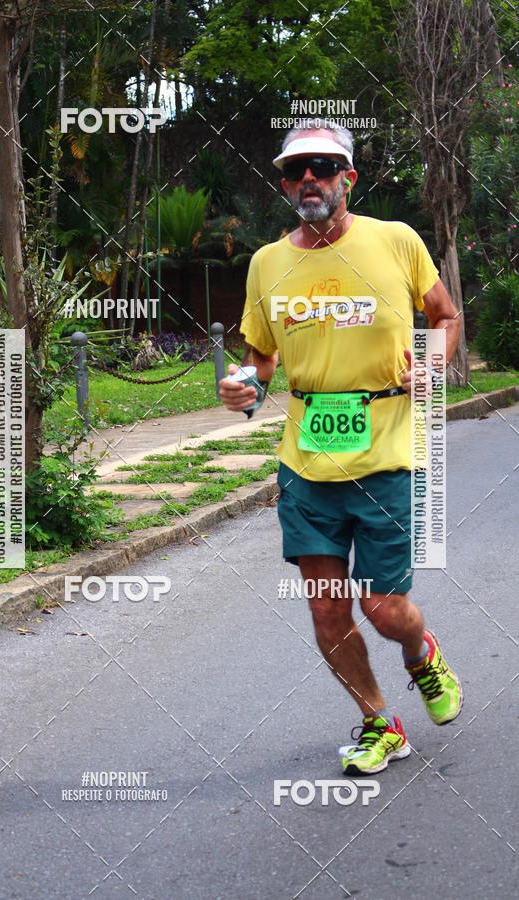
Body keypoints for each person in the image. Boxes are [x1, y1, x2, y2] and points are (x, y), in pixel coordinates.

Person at [219, 119, 463, 775]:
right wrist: (243, 386)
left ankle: (421, 651)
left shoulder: (396, 242)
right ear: (282, 183)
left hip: (385, 454)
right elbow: (261, 358)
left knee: (382, 609)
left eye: (323, 167)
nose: (308, 180)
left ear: (346, 178)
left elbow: (444, 317)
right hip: (306, 462)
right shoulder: (268, 263)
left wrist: (433, 367)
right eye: (295, 170)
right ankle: (380, 723)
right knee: (327, 610)